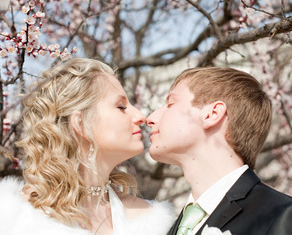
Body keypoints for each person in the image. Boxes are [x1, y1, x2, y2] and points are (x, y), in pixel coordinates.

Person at [0, 58, 174, 235]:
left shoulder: (151, 220)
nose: (140, 116)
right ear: (81, 124)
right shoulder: (15, 218)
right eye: (121, 107)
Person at [146, 67, 292, 235]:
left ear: (213, 114)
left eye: (170, 104)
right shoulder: (168, 228)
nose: (150, 119)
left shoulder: (283, 217)